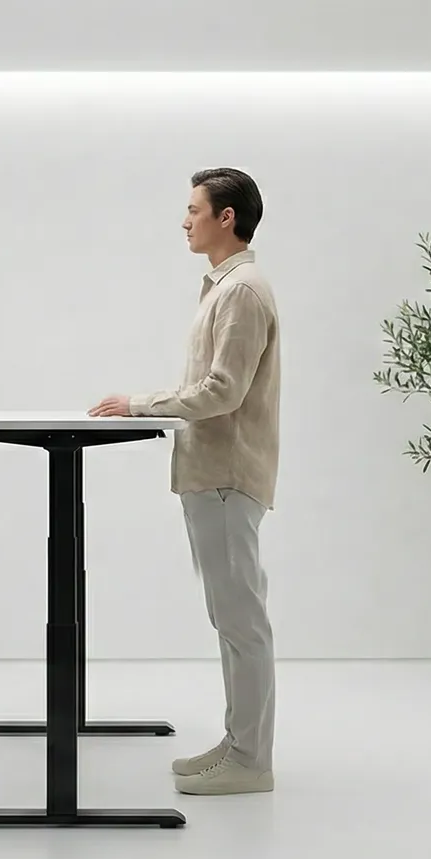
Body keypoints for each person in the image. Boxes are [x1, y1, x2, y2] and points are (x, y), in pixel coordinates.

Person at [88, 167, 281, 796]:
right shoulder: (225, 288)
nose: (185, 219)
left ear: (227, 217)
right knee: (230, 619)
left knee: (241, 620)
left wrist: (142, 404)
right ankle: (237, 745)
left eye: (194, 208)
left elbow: (223, 391)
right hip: (210, 472)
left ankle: (251, 762)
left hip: (227, 474)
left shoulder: (243, 292)